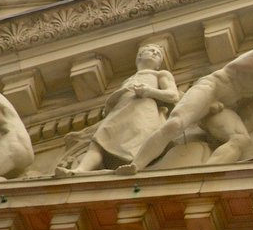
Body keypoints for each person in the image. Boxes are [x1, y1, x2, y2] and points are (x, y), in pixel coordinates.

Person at [116, 23, 253, 173]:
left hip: (224, 107)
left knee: (241, 140)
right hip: (211, 89)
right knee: (176, 124)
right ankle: (136, 165)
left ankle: (207, 175)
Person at [56, 44, 178, 175]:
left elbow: (173, 95)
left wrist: (149, 91)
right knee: (99, 141)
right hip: (119, 112)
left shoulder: (160, 74)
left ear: (159, 64)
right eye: (150, 50)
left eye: (158, 53)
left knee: (138, 138)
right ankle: (80, 171)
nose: (154, 53)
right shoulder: (129, 79)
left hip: (142, 111)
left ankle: (134, 166)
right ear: (139, 56)